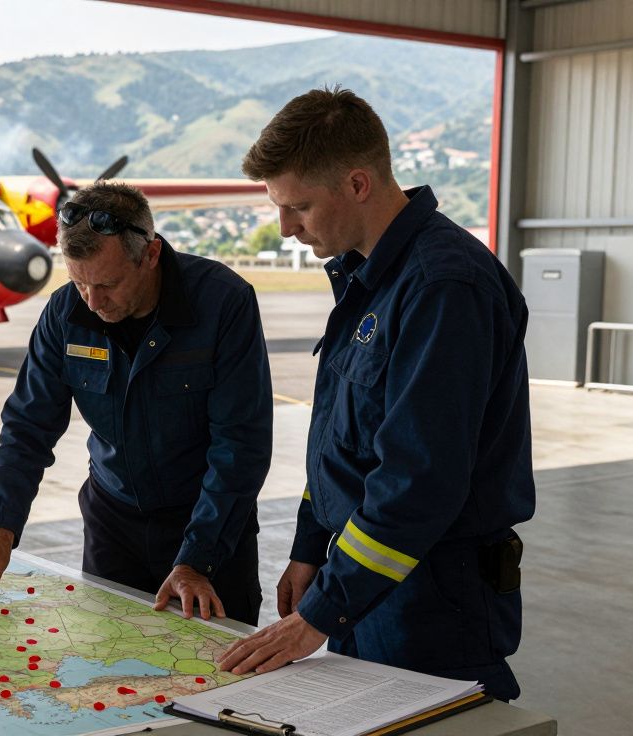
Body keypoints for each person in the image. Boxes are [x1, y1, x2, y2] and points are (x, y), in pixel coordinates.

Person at [215, 87, 534, 700]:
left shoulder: (444, 286)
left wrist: (321, 612)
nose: (285, 229)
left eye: (299, 207)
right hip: (365, 581)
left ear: (358, 184)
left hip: (434, 593)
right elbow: (339, 439)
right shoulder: (371, 280)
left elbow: (418, 479)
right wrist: (311, 549)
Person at [0, 181, 273, 625]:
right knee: (108, 666)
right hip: (114, 526)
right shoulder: (65, 312)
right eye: (79, 282)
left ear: (150, 255)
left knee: (216, 677)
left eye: (107, 284)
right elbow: (27, 429)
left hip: (208, 524)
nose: (92, 302)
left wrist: (196, 560)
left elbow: (240, 446)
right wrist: (0, 529)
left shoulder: (223, 303)